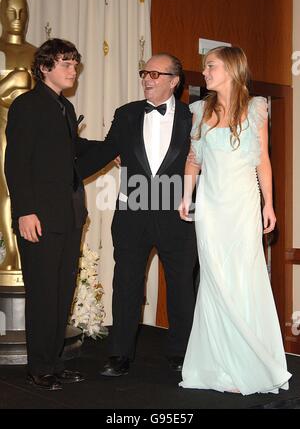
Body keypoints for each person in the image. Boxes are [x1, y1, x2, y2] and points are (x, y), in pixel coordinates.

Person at [178, 46, 292, 395]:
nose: (205, 72)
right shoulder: (198, 110)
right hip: (210, 210)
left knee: (242, 280)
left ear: (230, 68)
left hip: (243, 208)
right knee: (214, 282)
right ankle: (218, 365)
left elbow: (263, 163)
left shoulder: (257, 108)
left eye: (210, 66)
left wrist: (268, 205)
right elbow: (193, 160)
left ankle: (250, 362)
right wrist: (187, 195)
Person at [77, 53, 197, 376]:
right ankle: (119, 354)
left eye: (156, 75)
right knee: (127, 283)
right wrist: (66, 165)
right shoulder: (127, 114)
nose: (147, 79)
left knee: (182, 286)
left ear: (175, 81)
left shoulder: (193, 116)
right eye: (145, 72)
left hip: (178, 214)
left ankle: (182, 353)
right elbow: (105, 151)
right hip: (133, 214)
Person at [4, 38, 99, 390]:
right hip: (39, 217)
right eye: (65, 64)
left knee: (61, 293)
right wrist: (25, 211)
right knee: (43, 293)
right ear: (44, 67)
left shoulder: (65, 108)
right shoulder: (27, 105)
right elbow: (15, 163)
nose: (73, 69)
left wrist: (116, 147)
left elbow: (72, 154)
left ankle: (54, 362)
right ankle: (38, 367)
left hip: (69, 216)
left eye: (75, 63)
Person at [0, 0, 36, 273]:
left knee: (24, 190)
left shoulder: (35, 53)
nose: (17, 19)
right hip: (1, 127)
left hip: (28, 131)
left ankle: (24, 249)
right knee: (5, 189)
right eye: (11, 12)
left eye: (22, 12)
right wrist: (14, 80)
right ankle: (11, 252)